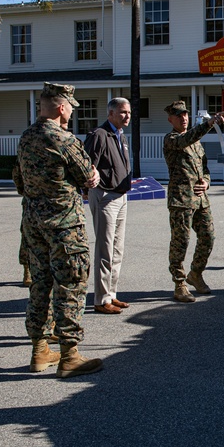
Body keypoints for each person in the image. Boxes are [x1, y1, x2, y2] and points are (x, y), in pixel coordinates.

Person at [13, 82, 102, 378]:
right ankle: (69, 356)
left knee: (40, 284)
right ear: (62, 107)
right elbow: (86, 175)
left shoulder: (26, 137)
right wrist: (92, 174)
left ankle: (39, 351)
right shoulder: (62, 138)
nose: (71, 115)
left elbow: (19, 181)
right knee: (70, 285)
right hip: (64, 224)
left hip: (33, 222)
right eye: (70, 109)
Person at [163, 100, 224, 303]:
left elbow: (205, 169)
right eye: (179, 116)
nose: (183, 118)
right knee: (180, 242)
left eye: (185, 115)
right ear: (170, 119)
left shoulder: (196, 143)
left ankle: (196, 273)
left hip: (201, 200)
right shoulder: (171, 139)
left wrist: (207, 183)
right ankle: (179, 283)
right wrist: (209, 124)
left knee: (208, 237)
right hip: (181, 200)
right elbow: (188, 138)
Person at [84, 97, 133, 315]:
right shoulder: (99, 135)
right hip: (105, 196)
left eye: (129, 112)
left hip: (120, 197)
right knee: (105, 250)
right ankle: (100, 299)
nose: (127, 116)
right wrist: (89, 183)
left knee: (117, 250)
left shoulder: (120, 136)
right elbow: (87, 164)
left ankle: (111, 294)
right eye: (122, 112)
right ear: (110, 114)